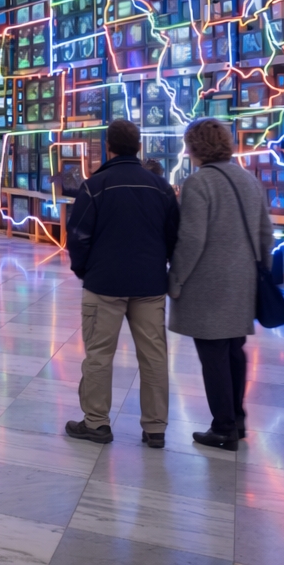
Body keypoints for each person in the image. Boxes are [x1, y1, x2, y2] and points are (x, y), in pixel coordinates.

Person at [64, 119, 179, 448]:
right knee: (154, 356)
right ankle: (155, 428)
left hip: (105, 283)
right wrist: (161, 265)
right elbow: (174, 236)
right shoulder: (161, 187)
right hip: (150, 284)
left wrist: (86, 271)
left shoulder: (95, 185)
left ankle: (96, 423)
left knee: (100, 354)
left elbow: (79, 236)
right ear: (139, 147)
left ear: (108, 147)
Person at [169, 117, 273, 451]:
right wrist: (259, 274)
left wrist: (176, 278)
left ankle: (223, 427)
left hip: (208, 285)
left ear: (195, 147)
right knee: (233, 351)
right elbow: (265, 234)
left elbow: (191, 239)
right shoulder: (248, 179)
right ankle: (237, 420)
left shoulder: (199, 183)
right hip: (242, 282)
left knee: (212, 355)